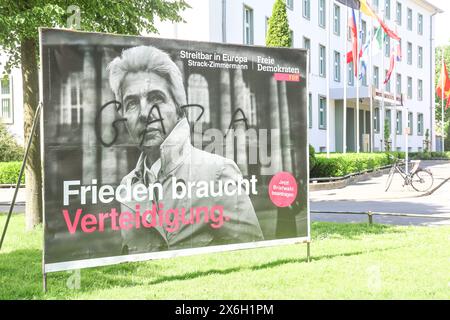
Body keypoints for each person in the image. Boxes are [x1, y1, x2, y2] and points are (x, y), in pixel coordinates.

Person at [108, 45, 264, 254]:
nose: (144, 113)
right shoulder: (127, 186)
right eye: (132, 103)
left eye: (156, 98)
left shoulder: (218, 172)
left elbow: (251, 257)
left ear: (178, 108)